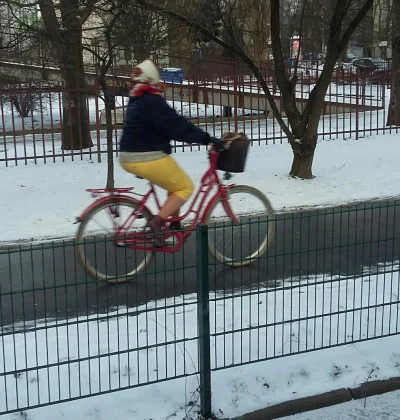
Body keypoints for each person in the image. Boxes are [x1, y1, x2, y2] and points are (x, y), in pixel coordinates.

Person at [119, 59, 223, 243]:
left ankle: (174, 226)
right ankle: (157, 223)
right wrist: (207, 139)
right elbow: (177, 126)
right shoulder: (151, 101)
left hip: (131, 156)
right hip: (146, 156)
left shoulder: (137, 99)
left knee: (173, 183)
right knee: (185, 187)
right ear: (152, 80)